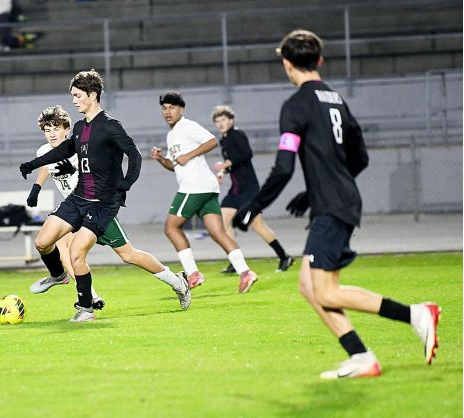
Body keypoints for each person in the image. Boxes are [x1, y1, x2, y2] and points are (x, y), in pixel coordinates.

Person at [233, 29, 440, 378]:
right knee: (308, 286)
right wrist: (316, 191)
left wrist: (254, 206)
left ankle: (416, 315)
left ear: (287, 64)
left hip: (332, 205)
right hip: (338, 200)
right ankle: (361, 357)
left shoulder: (296, 105)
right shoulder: (337, 100)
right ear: (320, 60)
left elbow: (283, 167)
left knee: (326, 292)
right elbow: (360, 157)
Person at [19, 71, 190, 322]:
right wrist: (32, 164)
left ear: (92, 95)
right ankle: (58, 275)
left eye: (78, 96)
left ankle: (174, 283)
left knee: (121, 255)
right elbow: (64, 150)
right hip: (78, 198)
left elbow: (134, 155)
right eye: (72, 96)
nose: (74, 101)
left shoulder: (110, 126)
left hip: (102, 204)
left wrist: (126, 184)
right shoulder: (80, 127)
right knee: (43, 242)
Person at [151, 91, 258, 294]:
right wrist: (161, 159)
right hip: (207, 187)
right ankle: (245, 273)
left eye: (172, 107)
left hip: (194, 187)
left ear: (181, 110)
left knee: (171, 228)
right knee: (218, 233)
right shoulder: (172, 135)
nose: (167, 112)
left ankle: (193, 274)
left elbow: (211, 141)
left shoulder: (187, 126)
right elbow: (175, 165)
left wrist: (188, 155)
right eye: (164, 108)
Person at [211, 105, 293, 274]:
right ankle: (236, 261)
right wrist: (223, 171)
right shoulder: (224, 140)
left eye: (223, 120)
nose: (220, 123)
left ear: (231, 120)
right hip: (235, 190)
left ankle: (284, 257)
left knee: (258, 226)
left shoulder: (237, 134)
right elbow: (235, 164)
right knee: (221, 223)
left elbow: (246, 154)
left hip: (249, 190)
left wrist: (226, 164)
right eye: (217, 121)